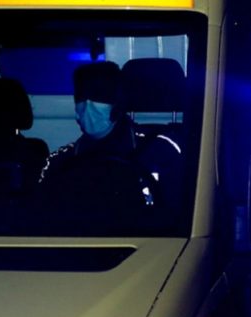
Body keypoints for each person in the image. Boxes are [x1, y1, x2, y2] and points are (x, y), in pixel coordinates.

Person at [39, 61, 179, 211]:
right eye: (81, 96)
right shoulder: (61, 162)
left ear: (118, 103)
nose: (88, 104)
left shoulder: (161, 150)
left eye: (99, 96)